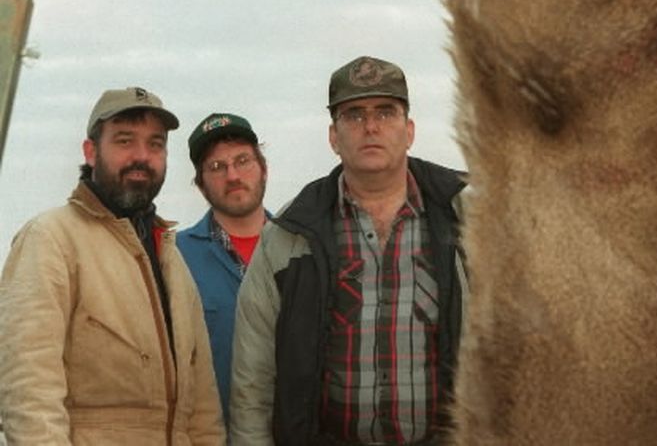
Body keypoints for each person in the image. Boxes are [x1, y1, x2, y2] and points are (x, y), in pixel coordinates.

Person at [230, 56, 468, 445]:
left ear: (409, 131)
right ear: (333, 137)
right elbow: (253, 381)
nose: (371, 126)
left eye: (386, 112)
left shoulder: (468, 221)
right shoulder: (290, 234)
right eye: (354, 115)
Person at [0, 87, 225, 445]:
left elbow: (202, 410)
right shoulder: (50, 239)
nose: (142, 156)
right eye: (124, 140)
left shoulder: (170, 256)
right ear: (91, 152)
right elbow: (29, 392)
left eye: (155, 144)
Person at [177, 113, 271, 427]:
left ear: (263, 168)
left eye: (243, 160)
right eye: (216, 167)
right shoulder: (174, 258)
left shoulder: (303, 247)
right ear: (201, 184)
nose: (232, 175)